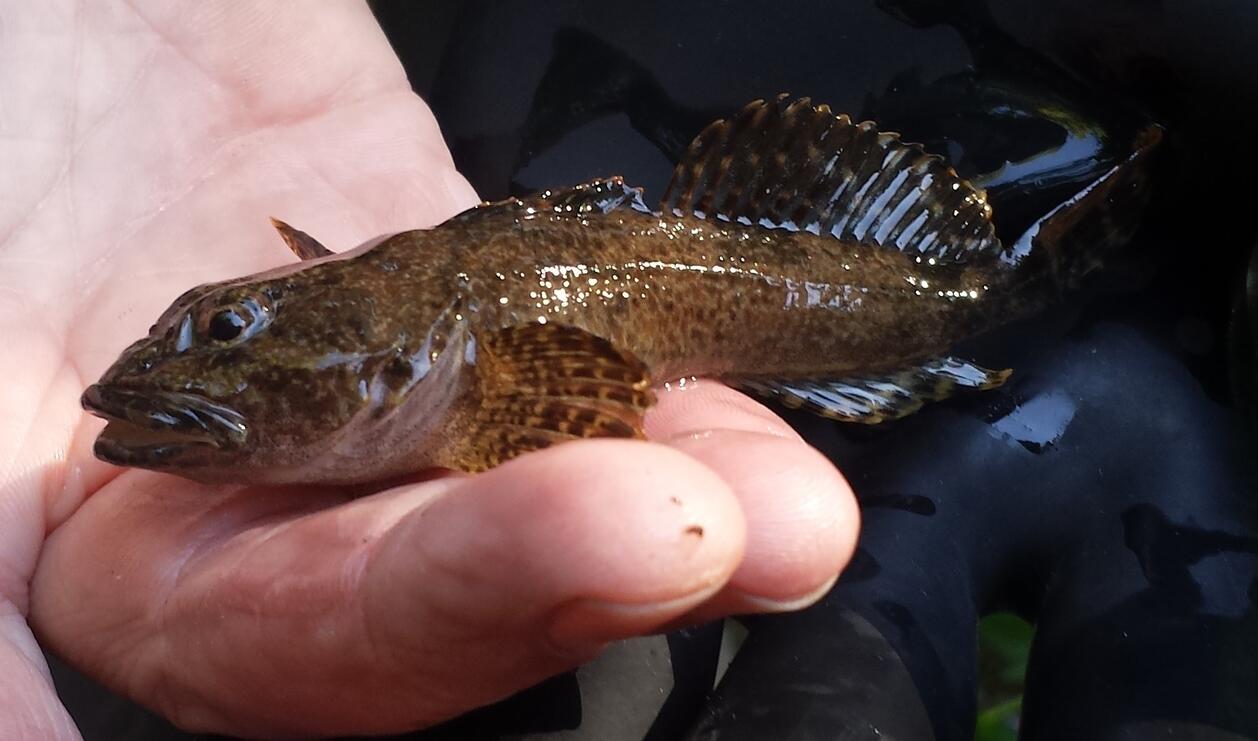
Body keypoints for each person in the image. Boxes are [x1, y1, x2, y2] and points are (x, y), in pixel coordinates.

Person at [0, 2, 860, 737]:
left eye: (226, 326)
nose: (194, 358)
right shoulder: (412, 320)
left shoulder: (460, 359)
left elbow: (588, 400)